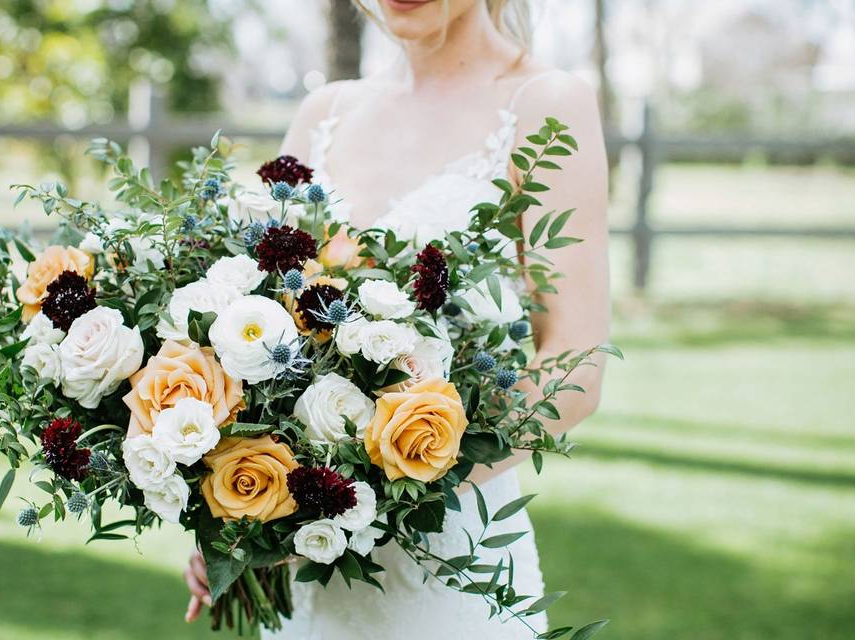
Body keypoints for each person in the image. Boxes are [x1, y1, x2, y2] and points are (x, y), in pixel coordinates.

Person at [184, 0, 610, 637]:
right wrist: (237, 507)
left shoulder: (545, 106)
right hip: (303, 578)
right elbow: (247, 316)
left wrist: (366, 497)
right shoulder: (322, 113)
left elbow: (575, 369)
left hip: (446, 568)